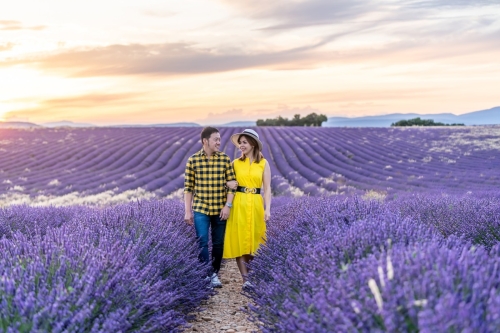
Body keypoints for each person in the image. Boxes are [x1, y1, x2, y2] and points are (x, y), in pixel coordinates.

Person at [184, 126, 236, 288]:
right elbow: (188, 188)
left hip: (220, 208)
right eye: (216, 139)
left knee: (219, 243)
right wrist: (187, 211)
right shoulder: (193, 160)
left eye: (220, 139)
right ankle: (207, 274)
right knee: (202, 241)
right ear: (205, 141)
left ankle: (214, 273)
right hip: (201, 209)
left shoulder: (224, 159)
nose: (219, 142)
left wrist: (228, 206)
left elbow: (232, 186)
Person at [223, 129, 271, 289]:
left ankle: (252, 275)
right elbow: (225, 182)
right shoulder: (235, 163)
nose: (241, 146)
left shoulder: (263, 164)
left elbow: (268, 188)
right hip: (239, 203)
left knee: (255, 240)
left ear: (253, 144)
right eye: (240, 143)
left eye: (244, 142)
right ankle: (246, 280)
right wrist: (227, 184)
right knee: (240, 240)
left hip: (256, 203)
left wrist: (268, 209)